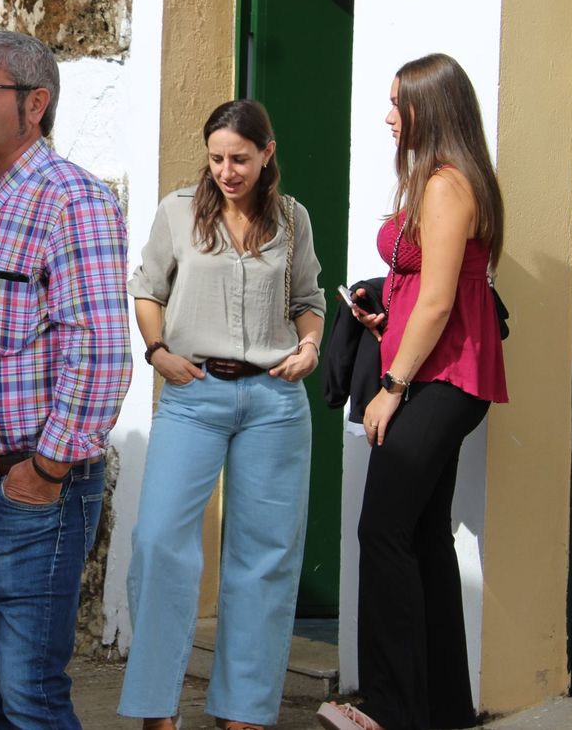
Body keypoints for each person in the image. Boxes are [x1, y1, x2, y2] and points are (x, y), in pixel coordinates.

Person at [0, 30, 134, 730]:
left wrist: (46, 468)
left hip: (29, 492)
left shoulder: (74, 201)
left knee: (32, 693)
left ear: (35, 104)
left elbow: (100, 352)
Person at [119, 99, 325, 730]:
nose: (226, 171)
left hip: (274, 400)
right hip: (194, 393)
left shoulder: (292, 218)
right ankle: (157, 707)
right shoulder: (179, 212)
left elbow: (308, 299)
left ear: (267, 154)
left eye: (239, 158)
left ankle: (243, 710)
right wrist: (158, 353)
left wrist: (311, 346)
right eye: (216, 159)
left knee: (265, 555)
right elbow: (148, 288)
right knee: (158, 542)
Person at [317, 53, 507, 730]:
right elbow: (420, 293)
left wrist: (392, 385)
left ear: (429, 108)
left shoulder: (447, 184)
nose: (389, 115)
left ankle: (394, 708)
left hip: (440, 377)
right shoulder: (437, 179)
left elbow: (438, 301)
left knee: (384, 531)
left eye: (399, 102)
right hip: (435, 368)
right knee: (424, 537)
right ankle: (442, 709)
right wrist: (380, 311)